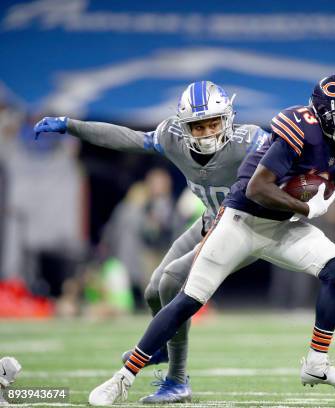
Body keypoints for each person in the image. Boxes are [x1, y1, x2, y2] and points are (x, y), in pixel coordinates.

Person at [87, 74, 335, 406]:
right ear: (327, 117)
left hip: (282, 227)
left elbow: (327, 187)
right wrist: (305, 207)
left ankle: (316, 364)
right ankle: (122, 378)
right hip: (241, 221)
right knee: (187, 299)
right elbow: (258, 188)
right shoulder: (298, 128)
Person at [34, 80, 269, 404]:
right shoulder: (172, 137)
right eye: (197, 126)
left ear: (228, 118)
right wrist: (71, 126)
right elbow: (127, 138)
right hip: (212, 223)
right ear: (184, 127)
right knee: (153, 290)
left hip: (248, 229)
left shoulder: (252, 140)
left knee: (172, 282)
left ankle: (177, 379)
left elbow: (295, 156)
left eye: (214, 123)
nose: (207, 132)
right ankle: (160, 344)